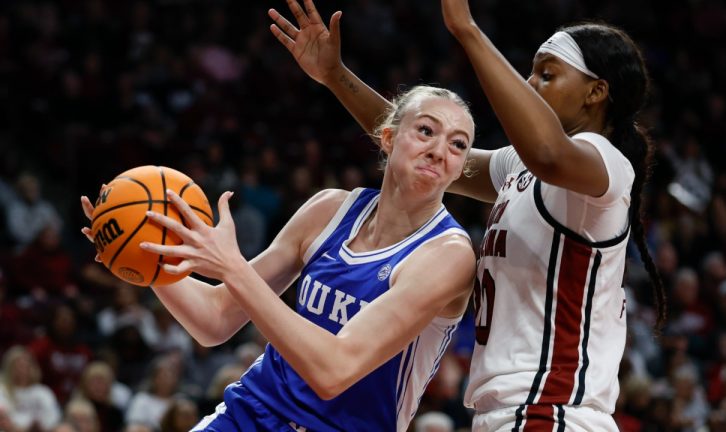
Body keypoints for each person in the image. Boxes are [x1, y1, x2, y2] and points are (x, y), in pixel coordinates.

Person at [268, 0, 667, 430]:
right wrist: (334, 76)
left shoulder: (605, 165)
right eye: (531, 72)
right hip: (510, 411)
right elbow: (415, 145)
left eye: (547, 74)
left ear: (596, 92)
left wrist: (466, 29)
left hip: (552, 412)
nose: (530, 84)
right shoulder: (519, 166)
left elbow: (549, 152)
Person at [80, 84, 477, 431]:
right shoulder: (329, 209)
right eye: (426, 130)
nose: (440, 151)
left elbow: (334, 370)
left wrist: (232, 267)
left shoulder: (448, 255)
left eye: (458, 144)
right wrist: (146, 252)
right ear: (388, 138)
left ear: (461, 168)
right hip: (250, 413)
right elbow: (215, 319)